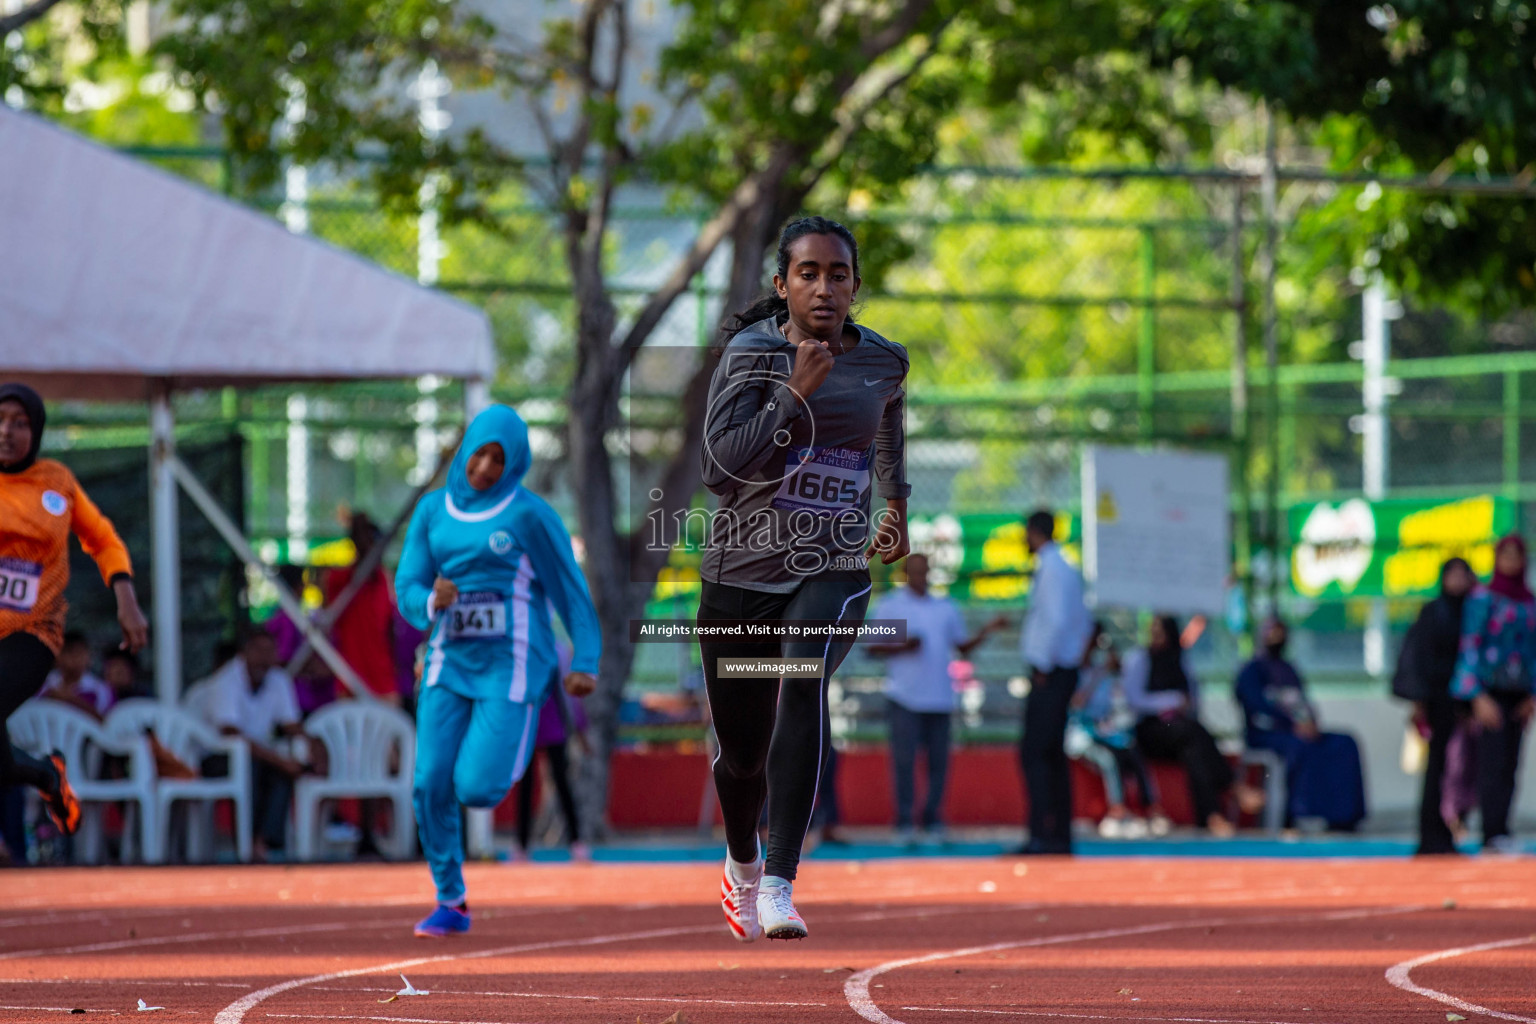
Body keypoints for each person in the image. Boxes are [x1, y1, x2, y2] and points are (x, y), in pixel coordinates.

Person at [698, 216, 910, 942]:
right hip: (740, 577)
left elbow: (888, 420)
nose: (824, 287)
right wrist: (794, 392)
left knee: (802, 672)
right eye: (809, 273)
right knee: (742, 758)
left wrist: (897, 502)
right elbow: (718, 471)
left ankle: (781, 884)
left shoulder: (884, 361)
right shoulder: (750, 356)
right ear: (782, 284)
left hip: (833, 565)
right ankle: (742, 862)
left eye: (838, 273)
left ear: (856, 285)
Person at [396, 404, 600, 938]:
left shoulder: (530, 516)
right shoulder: (432, 512)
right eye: (480, 454)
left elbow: (570, 591)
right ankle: (451, 899)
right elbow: (407, 586)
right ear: (466, 449)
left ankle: (523, 719)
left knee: (478, 790)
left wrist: (585, 659)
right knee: (429, 782)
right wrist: (427, 597)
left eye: (498, 459)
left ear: (515, 465)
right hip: (448, 659)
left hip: (511, 664)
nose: (485, 467)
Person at [0, 382, 148, 840]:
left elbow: (102, 538)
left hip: (32, 632)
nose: (6, 432)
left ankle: (42, 776)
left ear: (37, 431)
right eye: (0, 421)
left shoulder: (55, 483)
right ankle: (45, 776)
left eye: (20, 423)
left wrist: (125, 597)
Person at [868, 553, 1007, 843]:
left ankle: (932, 821)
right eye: (916, 572)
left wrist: (987, 630)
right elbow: (872, 649)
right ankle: (905, 823)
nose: (921, 578)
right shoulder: (891, 605)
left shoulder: (946, 607)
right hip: (903, 696)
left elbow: (962, 647)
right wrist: (902, 646)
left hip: (940, 697)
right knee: (904, 763)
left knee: (938, 764)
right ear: (905, 573)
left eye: (925, 572)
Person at [1125, 615, 1261, 837]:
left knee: (1194, 751)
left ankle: (1210, 816)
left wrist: (1184, 705)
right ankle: (1233, 788)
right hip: (1149, 731)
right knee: (1193, 732)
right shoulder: (1139, 659)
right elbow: (1135, 700)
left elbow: (1194, 699)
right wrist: (1173, 701)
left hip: (1179, 732)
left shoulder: (1181, 661)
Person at [1236, 618, 1367, 831]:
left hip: (1299, 730)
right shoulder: (1251, 671)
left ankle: (1343, 817)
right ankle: (1295, 815)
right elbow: (1258, 711)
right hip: (1268, 734)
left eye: (1282, 634)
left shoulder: (1289, 670)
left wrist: (1309, 722)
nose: (1277, 639)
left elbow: (1301, 704)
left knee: (1344, 744)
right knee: (1299, 748)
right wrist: (1290, 726)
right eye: (1273, 634)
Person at [1451, 533, 1536, 853]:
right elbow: (1470, 646)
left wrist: (1533, 695)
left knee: (1512, 764)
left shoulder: (1529, 602)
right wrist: (1476, 696)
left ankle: (1503, 829)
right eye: (1506, 555)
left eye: (1518, 556)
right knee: (1491, 761)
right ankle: (1489, 832)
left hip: (1520, 694)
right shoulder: (1482, 599)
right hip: (1490, 692)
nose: (1512, 562)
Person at [1014, 509, 1092, 856]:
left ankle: (1042, 834)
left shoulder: (1053, 568)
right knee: (1051, 754)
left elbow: (1057, 621)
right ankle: (1057, 834)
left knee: (1035, 753)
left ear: (1033, 532)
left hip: (1053, 670)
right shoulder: (1063, 566)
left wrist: (1043, 664)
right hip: (1061, 669)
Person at [204, 629, 312, 861]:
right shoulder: (226, 680)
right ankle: (246, 841)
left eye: (269, 651)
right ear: (243, 653)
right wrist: (280, 761)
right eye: (258, 650)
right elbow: (230, 733)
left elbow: (291, 724)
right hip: (216, 754)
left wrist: (315, 747)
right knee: (252, 768)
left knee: (282, 773)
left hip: (259, 754)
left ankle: (262, 842)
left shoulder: (278, 679)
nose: (264, 657)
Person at [1393, 557, 1475, 854]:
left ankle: (1454, 827)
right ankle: (1432, 834)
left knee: (1464, 769)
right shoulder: (1433, 613)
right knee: (1438, 769)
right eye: (1451, 575)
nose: (1457, 581)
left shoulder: (1473, 612)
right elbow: (1417, 659)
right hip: (1437, 702)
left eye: (1462, 575)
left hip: (1465, 705)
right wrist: (1419, 700)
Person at [1070, 622, 1168, 838]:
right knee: (1107, 759)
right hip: (1078, 736)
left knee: (1132, 751)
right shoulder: (1071, 672)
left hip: (1103, 732)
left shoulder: (1103, 673)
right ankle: (1117, 811)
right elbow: (1077, 704)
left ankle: (1152, 810)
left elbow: (1114, 707)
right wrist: (1100, 673)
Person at [514, 647, 589, 862]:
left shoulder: (558, 651)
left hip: (555, 728)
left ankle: (577, 843)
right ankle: (521, 846)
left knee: (563, 784)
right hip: (527, 728)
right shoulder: (520, 648)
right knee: (525, 786)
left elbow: (571, 695)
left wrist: (581, 730)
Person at [326, 512, 399, 704]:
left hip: (382, 679)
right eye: (363, 539)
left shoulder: (384, 579)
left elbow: (390, 628)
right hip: (349, 679)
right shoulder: (341, 579)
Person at [39, 631, 114, 719]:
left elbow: (108, 723)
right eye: (69, 652)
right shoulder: (43, 683)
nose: (75, 658)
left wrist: (71, 700)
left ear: (88, 657)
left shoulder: (101, 690)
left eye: (79, 653)